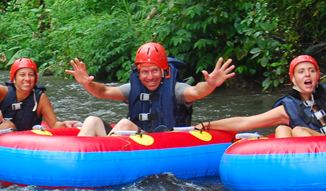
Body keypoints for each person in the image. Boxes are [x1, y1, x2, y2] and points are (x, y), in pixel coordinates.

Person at [66, 42, 236, 136]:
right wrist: (86, 83)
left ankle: (103, 160)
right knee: (92, 120)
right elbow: (102, 92)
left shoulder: (176, 89)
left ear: (163, 71)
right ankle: (78, 162)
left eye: (155, 71)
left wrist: (211, 83)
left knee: (125, 124)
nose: (150, 77)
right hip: (132, 143)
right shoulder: (134, 88)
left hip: (163, 145)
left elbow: (197, 92)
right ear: (139, 73)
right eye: (144, 72)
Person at [196, 55, 326, 137]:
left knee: (298, 130)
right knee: (282, 129)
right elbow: (245, 122)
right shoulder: (286, 109)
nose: (307, 75)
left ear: (318, 76)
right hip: (313, 156)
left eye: (311, 71)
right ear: (293, 79)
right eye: (301, 72)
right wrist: (209, 124)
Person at [0, 58, 77, 132]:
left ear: (35, 78)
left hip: (24, 144)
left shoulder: (40, 98)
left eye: (31, 75)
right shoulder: (5, 91)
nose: (27, 79)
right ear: (14, 79)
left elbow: (54, 124)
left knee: (9, 125)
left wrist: (63, 125)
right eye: (22, 75)